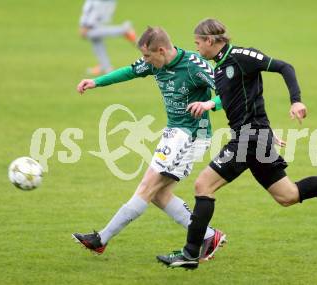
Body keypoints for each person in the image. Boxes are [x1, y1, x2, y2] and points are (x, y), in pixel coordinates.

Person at [156, 18, 317, 269]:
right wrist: (217, 106)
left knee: (203, 184)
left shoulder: (242, 56)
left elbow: (285, 67)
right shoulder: (219, 68)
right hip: (256, 136)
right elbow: (244, 100)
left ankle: (189, 254)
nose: (197, 48)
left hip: (249, 138)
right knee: (288, 195)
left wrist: (296, 101)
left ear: (210, 40)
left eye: (198, 43)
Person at [73, 26, 227, 262]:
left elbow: (227, 92)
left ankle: (101, 239)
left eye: (147, 56)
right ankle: (208, 235)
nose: (144, 61)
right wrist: (96, 82)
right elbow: (129, 71)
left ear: (162, 50)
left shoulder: (194, 65)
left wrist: (209, 104)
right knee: (158, 194)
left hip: (192, 134)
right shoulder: (156, 63)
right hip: (175, 132)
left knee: (147, 187)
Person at [79, 0, 137, 75]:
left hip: (95, 14)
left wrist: (86, 24)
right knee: (96, 39)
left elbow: (93, 7)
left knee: (87, 33)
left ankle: (123, 30)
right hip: (100, 10)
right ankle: (106, 67)